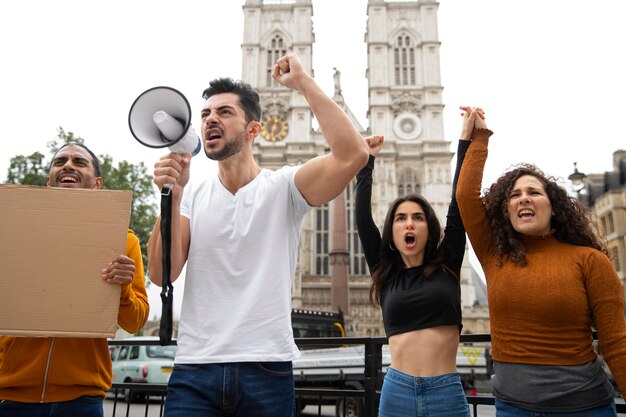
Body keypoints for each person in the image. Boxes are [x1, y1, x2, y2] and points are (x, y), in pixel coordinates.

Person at [147, 53, 369, 417]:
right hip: (195, 368)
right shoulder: (193, 196)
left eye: (224, 112)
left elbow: (353, 154)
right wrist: (172, 193)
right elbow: (160, 274)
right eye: (205, 115)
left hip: (265, 369)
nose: (210, 119)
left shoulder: (284, 188)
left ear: (253, 129)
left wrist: (303, 82)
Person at [456, 107, 626, 416]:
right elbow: (465, 197)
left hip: (584, 408)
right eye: (514, 194)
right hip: (512, 408)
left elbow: (616, 343)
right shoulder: (496, 256)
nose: (523, 198)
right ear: (505, 209)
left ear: (553, 206)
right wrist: (479, 137)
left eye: (534, 192)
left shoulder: (589, 261)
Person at [0, 143, 149, 417]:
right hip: (10, 397)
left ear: (97, 183)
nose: (68, 165)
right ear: (48, 180)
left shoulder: (122, 241)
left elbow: (136, 321)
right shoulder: (12, 230)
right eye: (60, 162)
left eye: (79, 162)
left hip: (82, 400)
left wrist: (123, 287)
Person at [354, 109, 479, 417]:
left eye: (417, 218)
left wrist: (466, 141)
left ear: (429, 228)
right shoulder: (386, 274)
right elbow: (362, 220)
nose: (409, 224)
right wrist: (367, 161)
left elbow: (458, 202)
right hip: (397, 390)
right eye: (400, 218)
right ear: (392, 232)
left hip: (446, 391)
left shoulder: (448, 264)